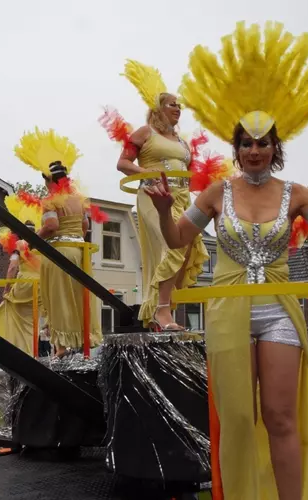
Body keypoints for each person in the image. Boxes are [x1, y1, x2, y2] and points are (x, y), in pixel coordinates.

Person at [145, 22, 308, 499]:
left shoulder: (297, 193)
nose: (255, 150)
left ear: (275, 147)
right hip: (229, 313)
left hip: (280, 312)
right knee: (238, 419)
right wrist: (163, 210)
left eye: (263, 142)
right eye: (246, 142)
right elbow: (178, 240)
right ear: (236, 148)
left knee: (281, 416)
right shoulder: (218, 191)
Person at [114, 60, 208, 331]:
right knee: (173, 247)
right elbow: (122, 163)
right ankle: (162, 312)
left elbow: (188, 172)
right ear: (159, 108)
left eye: (179, 105)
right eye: (172, 104)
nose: (178, 109)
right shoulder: (146, 132)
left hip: (180, 196)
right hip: (154, 196)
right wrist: (146, 172)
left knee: (186, 247)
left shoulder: (181, 141)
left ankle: (162, 309)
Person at [14, 128, 102, 357]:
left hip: (60, 253)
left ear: (49, 179)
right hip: (80, 252)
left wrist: (33, 241)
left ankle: (61, 347)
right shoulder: (79, 199)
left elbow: (51, 225)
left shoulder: (51, 200)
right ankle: (84, 341)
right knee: (78, 297)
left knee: (59, 299)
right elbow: (85, 227)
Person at [0, 219, 43, 355]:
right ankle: (30, 353)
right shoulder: (43, 246)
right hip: (41, 287)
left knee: (8, 308)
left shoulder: (19, 245)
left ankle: (6, 346)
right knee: (31, 323)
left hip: (25, 284)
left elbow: (12, 267)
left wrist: (7, 289)